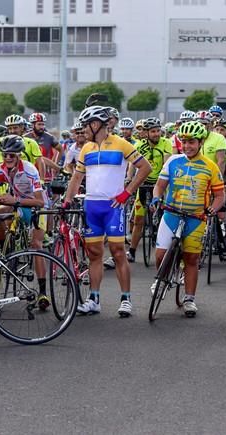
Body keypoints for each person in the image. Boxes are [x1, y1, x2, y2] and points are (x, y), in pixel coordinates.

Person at [63, 106, 152, 317]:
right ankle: (94, 299)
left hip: (113, 206)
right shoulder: (86, 148)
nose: (83, 130)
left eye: (86, 125)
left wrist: (127, 192)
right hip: (91, 206)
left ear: (96, 125)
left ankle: (126, 299)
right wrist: (67, 200)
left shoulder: (121, 144)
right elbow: (77, 178)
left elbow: (145, 167)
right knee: (94, 254)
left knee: (118, 251)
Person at [150, 121, 225, 317]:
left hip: (196, 218)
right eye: (184, 142)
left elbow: (220, 196)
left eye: (192, 142)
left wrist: (213, 209)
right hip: (171, 214)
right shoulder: (173, 161)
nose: (187, 146)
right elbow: (159, 185)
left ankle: (189, 298)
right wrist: (156, 198)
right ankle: (165, 277)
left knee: (191, 259)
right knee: (160, 255)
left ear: (200, 142)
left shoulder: (210, 167)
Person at [0, 135, 49, 309]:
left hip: (36, 207)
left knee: (36, 244)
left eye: (12, 155)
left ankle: (43, 292)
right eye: (5, 155)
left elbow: (40, 201)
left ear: (19, 155)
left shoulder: (29, 170)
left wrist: (14, 201)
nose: (8, 158)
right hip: (17, 204)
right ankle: (7, 253)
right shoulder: (0, 171)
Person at [126, 117, 172, 263]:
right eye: (153, 131)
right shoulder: (139, 145)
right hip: (144, 182)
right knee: (139, 219)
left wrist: (163, 182)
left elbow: (167, 163)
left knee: (164, 216)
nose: (156, 134)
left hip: (160, 183)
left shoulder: (166, 143)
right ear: (146, 133)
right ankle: (132, 251)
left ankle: (166, 247)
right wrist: (129, 177)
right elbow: (133, 164)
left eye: (158, 131)